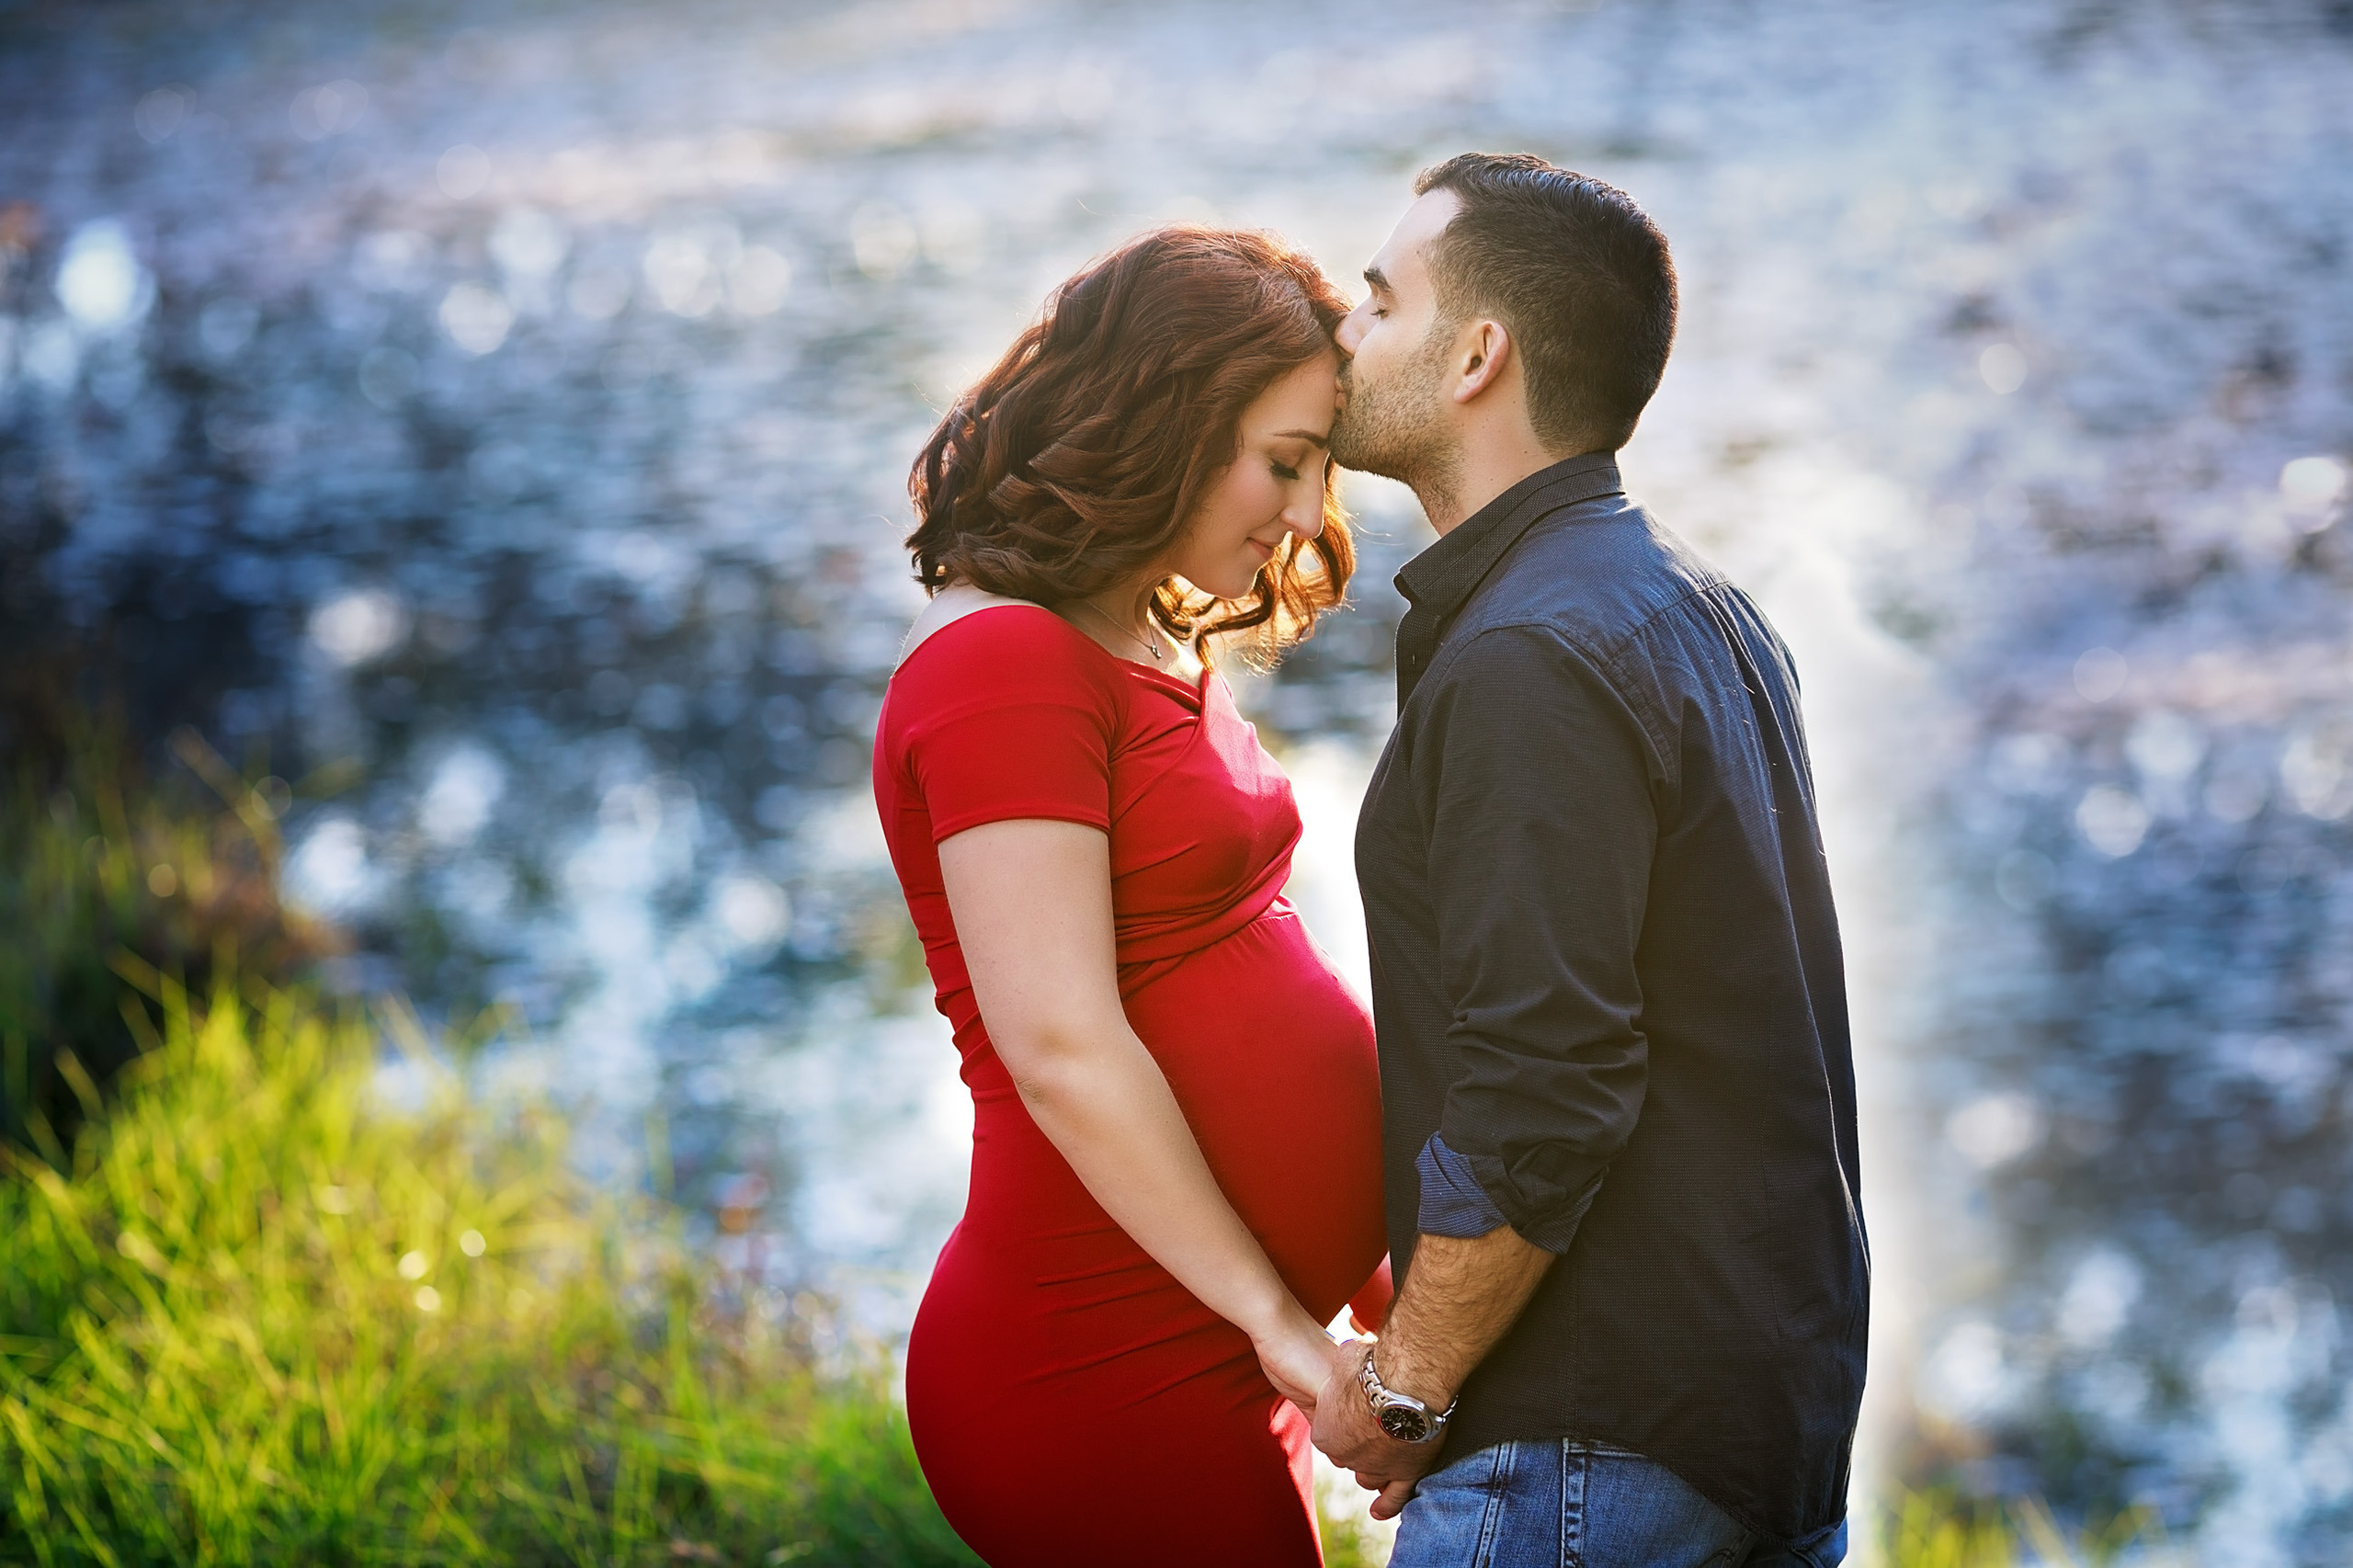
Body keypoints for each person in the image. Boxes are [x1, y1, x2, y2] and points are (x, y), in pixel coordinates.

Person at [1310, 153, 1869, 1568]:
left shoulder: (1530, 656)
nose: (1344, 335)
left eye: (1378, 302)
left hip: (1592, 1457)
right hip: (1748, 1434)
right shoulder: (1695, 600)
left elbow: (1542, 1087)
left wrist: (1406, 1387)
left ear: (1477, 354)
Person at [872, 226, 1392, 1566]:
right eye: (1284, 462)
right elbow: (1062, 1042)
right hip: (1098, 1363)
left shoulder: (1140, 636)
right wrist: (1282, 1321)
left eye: (1319, 468)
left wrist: (1369, 1263)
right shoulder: (1003, 666)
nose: (1302, 514)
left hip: (1203, 1337)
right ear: (1163, 414)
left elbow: (1230, 958)